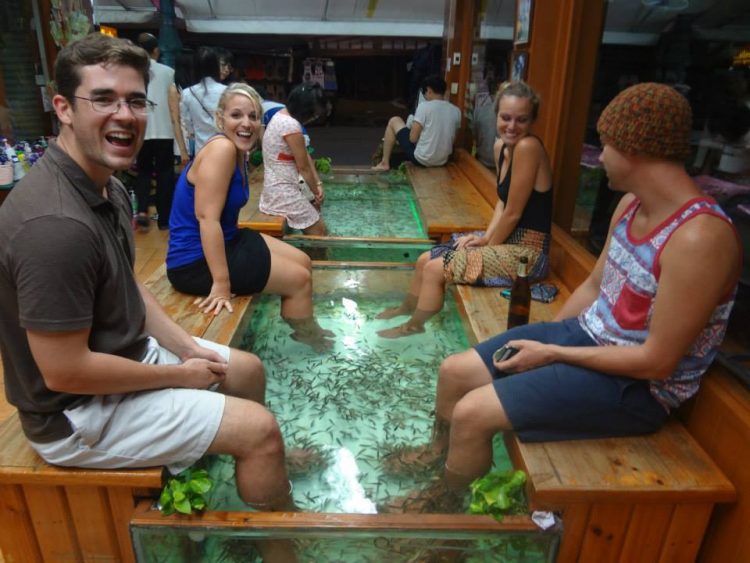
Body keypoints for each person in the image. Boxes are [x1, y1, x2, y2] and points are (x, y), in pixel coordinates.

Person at [0, 32, 298, 553]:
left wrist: (187, 346)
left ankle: (243, 469)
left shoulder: (106, 185)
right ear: (63, 108)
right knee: (261, 430)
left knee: (247, 369)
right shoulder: (54, 225)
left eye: (136, 101)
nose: (125, 114)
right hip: (74, 414)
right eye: (104, 99)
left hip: (123, 359)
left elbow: (129, 285)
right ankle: (280, 542)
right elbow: (65, 371)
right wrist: (178, 375)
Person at [392, 83, 741, 510]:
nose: (600, 156)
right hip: (587, 339)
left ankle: (444, 509)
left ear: (635, 149)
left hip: (637, 389)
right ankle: (437, 455)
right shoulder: (630, 203)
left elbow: (656, 361)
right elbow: (594, 287)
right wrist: (550, 338)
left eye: (605, 144)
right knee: (454, 371)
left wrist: (551, 354)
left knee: (472, 413)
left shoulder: (699, 238)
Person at [377, 81, 552, 338]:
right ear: (496, 116)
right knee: (426, 259)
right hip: (506, 241)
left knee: (437, 268)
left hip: (528, 254)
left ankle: (413, 326)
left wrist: (488, 246)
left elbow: (513, 213)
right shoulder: (500, 147)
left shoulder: (528, 147)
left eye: (521, 120)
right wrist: (484, 239)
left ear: (532, 121)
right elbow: (502, 204)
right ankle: (406, 308)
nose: (512, 126)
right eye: (505, 118)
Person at [167, 82, 334, 351]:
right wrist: (221, 284)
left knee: (303, 260)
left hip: (229, 240)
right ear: (219, 118)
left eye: (253, 116)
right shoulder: (221, 149)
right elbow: (206, 219)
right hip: (194, 262)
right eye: (236, 115)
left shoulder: (238, 152)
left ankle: (296, 325)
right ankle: (307, 340)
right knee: (298, 280)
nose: (246, 123)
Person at [132, 33, 188, 232]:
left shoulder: (133, 71)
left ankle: (143, 212)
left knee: (144, 172)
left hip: (141, 131)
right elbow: (176, 104)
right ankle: (164, 219)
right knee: (165, 175)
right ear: (156, 50)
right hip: (164, 131)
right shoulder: (168, 72)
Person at [259, 82, 327, 235]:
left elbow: (302, 157)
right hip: (282, 192)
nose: (315, 117)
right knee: (320, 231)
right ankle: (313, 258)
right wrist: (317, 192)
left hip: (274, 188)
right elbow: (303, 166)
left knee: (315, 214)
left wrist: (316, 186)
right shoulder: (291, 126)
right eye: (314, 113)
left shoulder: (279, 116)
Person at [371, 75, 460, 172]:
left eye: (424, 92)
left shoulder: (424, 107)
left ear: (429, 90)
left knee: (394, 120)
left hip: (422, 160)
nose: (425, 96)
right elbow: (453, 139)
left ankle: (385, 163)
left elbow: (412, 139)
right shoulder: (456, 111)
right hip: (442, 161)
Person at [180, 47, 226, 154]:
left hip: (201, 148)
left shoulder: (187, 93)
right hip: (223, 146)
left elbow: (187, 123)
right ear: (215, 66)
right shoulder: (227, 91)